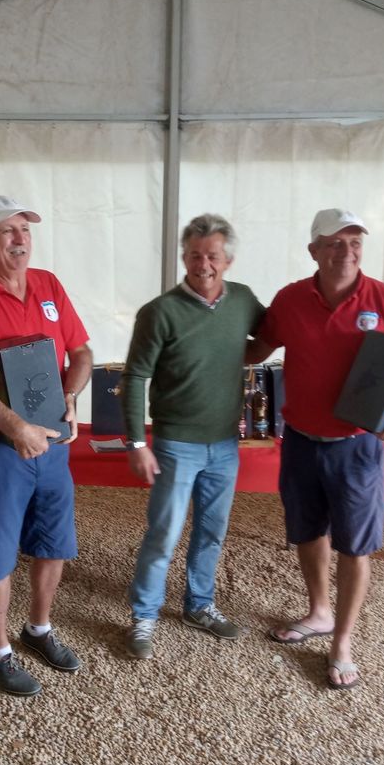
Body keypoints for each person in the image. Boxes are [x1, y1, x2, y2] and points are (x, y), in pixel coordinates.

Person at [247, 208, 384, 689]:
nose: (347, 251)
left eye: (355, 242)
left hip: (357, 446)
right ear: (314, 250)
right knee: (307, 532)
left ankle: (342, 642)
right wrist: (198, 342)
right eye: (335, 242)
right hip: (300, 439)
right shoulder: (291, 299)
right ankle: (319, 612)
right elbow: (257, 350)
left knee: (354, 545)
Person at [0, 195, 92, 697]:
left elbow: (81, 351)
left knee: (54, 541)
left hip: (51, 444)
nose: (19, 239)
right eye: (7, 230)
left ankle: (39, 628)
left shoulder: (49, 285)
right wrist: (14, 426)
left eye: (25, 229)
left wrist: (70, 397)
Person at [122, 214, 265, 659]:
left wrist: (247, 355)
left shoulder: (243, 300)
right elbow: (134, 376)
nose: (204, 265)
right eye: (195, 255)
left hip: (224, 443)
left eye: (213, 256)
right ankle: (144, 615)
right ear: (184, 257)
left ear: (229, 260)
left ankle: (199, 605)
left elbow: (272, 334)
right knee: (163, 532)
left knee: (212, 531)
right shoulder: (159, 311)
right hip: (176, 443)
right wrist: (136, 443)